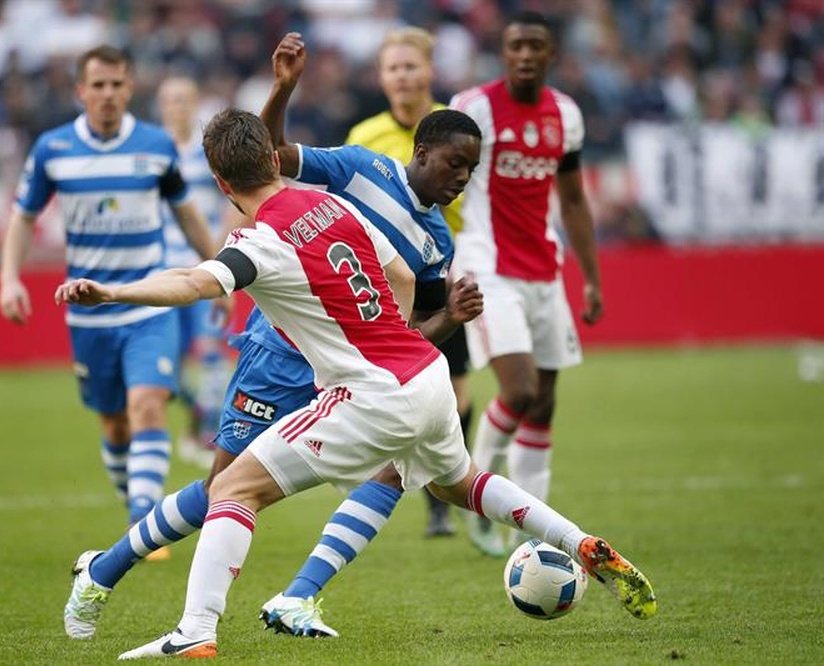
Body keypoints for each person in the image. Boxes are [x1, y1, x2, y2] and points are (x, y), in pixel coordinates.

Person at [55, 106, 656, 660]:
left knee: (233, 489)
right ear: (272, 161)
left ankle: (195, 631)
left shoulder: (257, 242)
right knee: (458, 483)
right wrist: (389, 334)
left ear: (221, 182)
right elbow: (395, 269)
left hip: (371, 392)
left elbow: (191, 283)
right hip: (424, 371)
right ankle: (577, 540)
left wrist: (112, 291)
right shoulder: (335, 208)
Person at [59, 32, 484, 641]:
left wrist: (424, 328)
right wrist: (282, 89)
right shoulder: (360, 170)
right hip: (281, 354)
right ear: (423, 152)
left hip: (358, 371)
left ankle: (297, 598)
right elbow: (268, 156)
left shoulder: (438, 242)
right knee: (221, 490)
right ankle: (106, 570)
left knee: (395, 467)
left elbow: (400, 315)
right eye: (455, 165)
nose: (461, 178)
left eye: (470, 169)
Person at [0, 46, 217, 531]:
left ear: (130, 88)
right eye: (98, 85)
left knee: (149, 402)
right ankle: (133, 500)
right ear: (81, 91)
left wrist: (220, 271)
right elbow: (23, 217)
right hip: (89, 312)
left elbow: (187, 215)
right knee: (115, 422)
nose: (108, 94)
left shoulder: (156, 146)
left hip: (147, 301)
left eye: (117, 84)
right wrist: (10, 278)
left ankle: (144, 521)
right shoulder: (54, 150)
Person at [448, 11, 604, 556]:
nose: (525, 55)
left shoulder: (565, 114)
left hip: (545, 270)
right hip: (487, 268)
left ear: (551, 52)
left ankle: (532, 533)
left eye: (536, 45)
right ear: (504, 50)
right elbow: (441, 176)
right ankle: (477, 489)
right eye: (516, 45)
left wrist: (591, 278)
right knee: (519, 390)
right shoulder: (474, 109)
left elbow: (575, 198)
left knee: (544, 404)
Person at [344, 26, 470, 537]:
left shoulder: (458, 130)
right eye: (393, 68)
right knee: (402, 388)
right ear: (381, 77)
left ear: (428, 72)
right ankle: (402, 484)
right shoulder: (363, 138)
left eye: (410, 66)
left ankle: (441, 496)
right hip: (383, 284)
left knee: (457, 395)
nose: (402, 76)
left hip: (444, 273)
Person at [154, 75, 233, 468]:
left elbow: (231, 204)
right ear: (161, 106)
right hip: (161, 274)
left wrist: (217, 253)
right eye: (170, 100)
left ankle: (208, 433)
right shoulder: (153, 154)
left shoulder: (208, 154)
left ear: (195, 102)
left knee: (212, 354)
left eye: (184, 99)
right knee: (165, 363)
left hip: (204, 269)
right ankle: (195, 418)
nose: (177, 107)